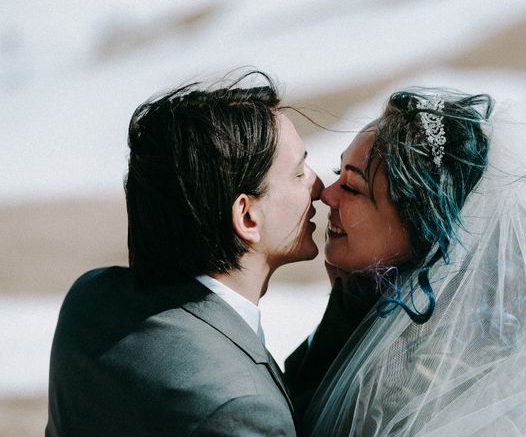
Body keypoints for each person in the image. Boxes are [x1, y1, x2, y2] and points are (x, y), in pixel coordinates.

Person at [288, 89, 526, 436]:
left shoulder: (409, 383)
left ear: (419, 226)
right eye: (338, 172)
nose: (326, 194)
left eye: (352, 187)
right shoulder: (371, 311)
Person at [46, 71, 322, 437]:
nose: (320, 186)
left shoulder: (90, 300)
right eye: (300, 172)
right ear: (246, 217)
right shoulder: (242, 409)